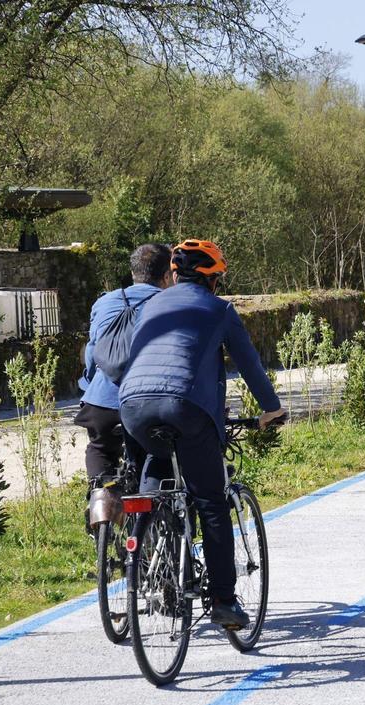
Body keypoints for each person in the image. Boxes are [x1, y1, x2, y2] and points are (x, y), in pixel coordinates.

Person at [119, 239, 286, 630]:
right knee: (211, 502)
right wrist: (271, 409)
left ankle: (144, 561)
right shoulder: (220, 309)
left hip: (132, 405)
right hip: (185, 408)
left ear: (175, 274)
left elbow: (132, 358)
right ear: (212, 280)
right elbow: (250, 366)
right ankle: (225, 603)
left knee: (153, 477)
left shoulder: (150, 305)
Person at [76, 244, 172, 488]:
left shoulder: (105, 302)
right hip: (148, 403)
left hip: (101, 401)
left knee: (100, 449)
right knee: (155, 454)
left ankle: (101, 514)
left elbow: (92, 352)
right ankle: (151, 517)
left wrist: (89, 386)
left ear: (133, 273)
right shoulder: (171, 303)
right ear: (167, 276)